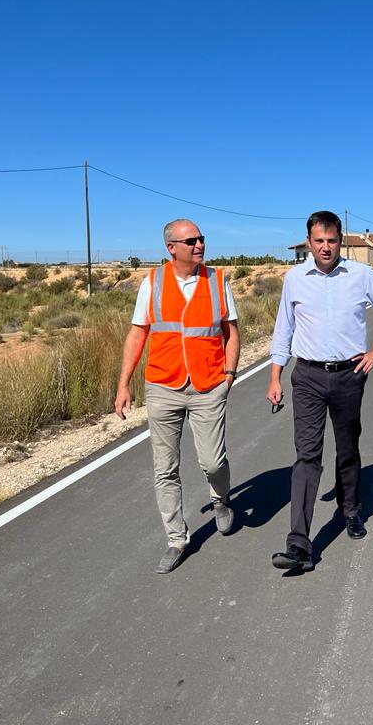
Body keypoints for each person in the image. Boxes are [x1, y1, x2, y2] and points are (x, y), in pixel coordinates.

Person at [267, 210, 373, 571]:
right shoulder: (294, 279)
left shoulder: (362, 275)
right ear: (309, 242)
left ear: (341, 241)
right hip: (307, 376)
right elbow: (284, 328)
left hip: (348, 376)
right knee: (307, 456)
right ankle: (298, 543)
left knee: (347, 449)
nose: (325, 247)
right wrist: (275, 376)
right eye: (319, 241)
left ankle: (351, 510)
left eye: (332, 241)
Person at [114, 218, 240, 574]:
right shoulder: (151, 283)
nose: (199, 245)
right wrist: (124, 384)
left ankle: (221, 500)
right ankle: (176, 539)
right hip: (163, 386)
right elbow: (138, 335)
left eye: (201, 239)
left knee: (213, 462)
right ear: (171, 247)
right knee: (164, 468)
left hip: (208, 385)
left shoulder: (217, 281)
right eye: (191, 241)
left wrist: (228, 375)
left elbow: (231, 332)